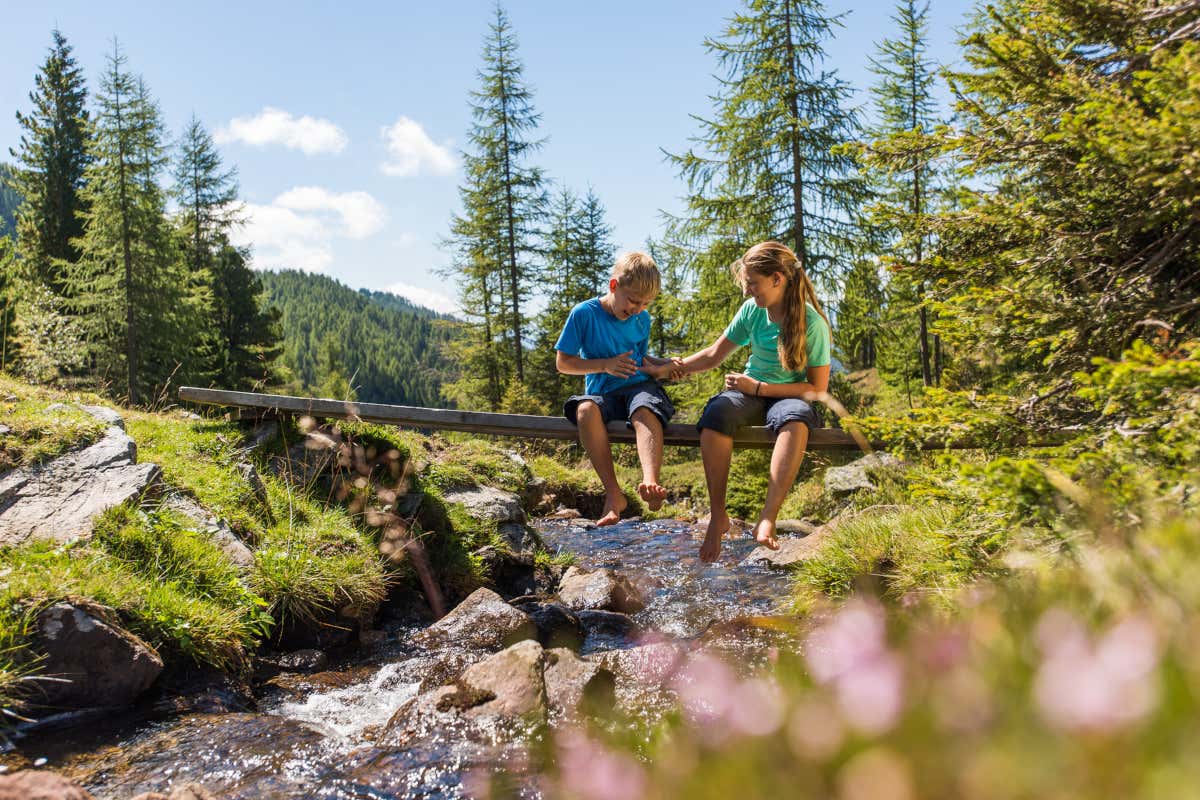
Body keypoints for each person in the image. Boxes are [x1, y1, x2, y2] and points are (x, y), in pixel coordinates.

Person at [672, 241, 832, 562]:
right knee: (716, 413)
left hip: (787, 395)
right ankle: (719, 515)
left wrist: (759, 387)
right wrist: (671, 368)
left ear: (777, 279)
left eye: (753, 284)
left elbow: (816, 389)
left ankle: (768, 517)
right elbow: (714, 355)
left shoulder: (812, 323)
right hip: (751, 391)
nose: (748, 292)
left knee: (796, 419)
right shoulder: (752, 311)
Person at [556, 252, 679, 526]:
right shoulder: (584, 314)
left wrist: (667, 365)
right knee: (585, 410)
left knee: (645, 408)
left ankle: (649, 481)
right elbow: (563, 363)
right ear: (614, 286)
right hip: (603, 392)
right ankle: (614, 495)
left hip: (639, 386)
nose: (637, 309)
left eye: (645, 304)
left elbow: (640, 358)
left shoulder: (642, 319)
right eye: (633, 300)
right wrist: (605, 365)